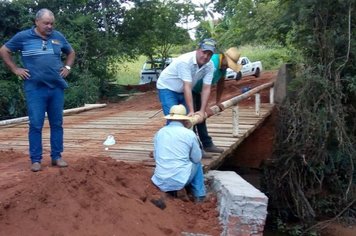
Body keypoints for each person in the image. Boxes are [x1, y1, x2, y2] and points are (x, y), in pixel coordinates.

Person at [0, 8, 75, 172]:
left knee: (57, 123)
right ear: (36, 22)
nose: (50, 26)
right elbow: (4, 50)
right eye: (46, 23)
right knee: (35, 124)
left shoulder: (58, 37)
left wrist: (67, 67)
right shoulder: (23, 37)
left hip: (56, 87)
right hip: (35, 89)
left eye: (52, 23)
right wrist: (15, 69)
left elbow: (70, 52)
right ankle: (36, 160)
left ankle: (57, 156)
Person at [151, 104, 206, 202]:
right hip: (180, 179)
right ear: (184, 120)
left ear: (170, 118)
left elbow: (156, 157)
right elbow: (197, 158)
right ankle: (199, 195)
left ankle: (172, 191)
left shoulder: (160, 132)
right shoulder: (189, 134)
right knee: (197, 164)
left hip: (160, 179)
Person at [192, 47, 242, 154]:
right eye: (228, 64)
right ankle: (195, 149)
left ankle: (207, 145)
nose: (227, 67)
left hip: (197, 91)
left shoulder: (222, 66)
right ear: (223, 57)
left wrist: (218, 101)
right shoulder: (212, 63)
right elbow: (205, 87)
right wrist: (204, 108)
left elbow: (221, 82)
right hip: (189, 89)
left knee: (201, 118)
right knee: (192, 119)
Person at [156, 38, 216, 118]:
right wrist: (191, 111)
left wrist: (202, 110)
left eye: (209, 54)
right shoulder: (185, 61)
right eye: (204, 52)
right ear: (198, 49)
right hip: (167, 87)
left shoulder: (209, 65)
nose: (206, 56)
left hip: (183, 90)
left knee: (187, 121)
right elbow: (187, 86)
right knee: (174, 119)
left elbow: (206, 88)